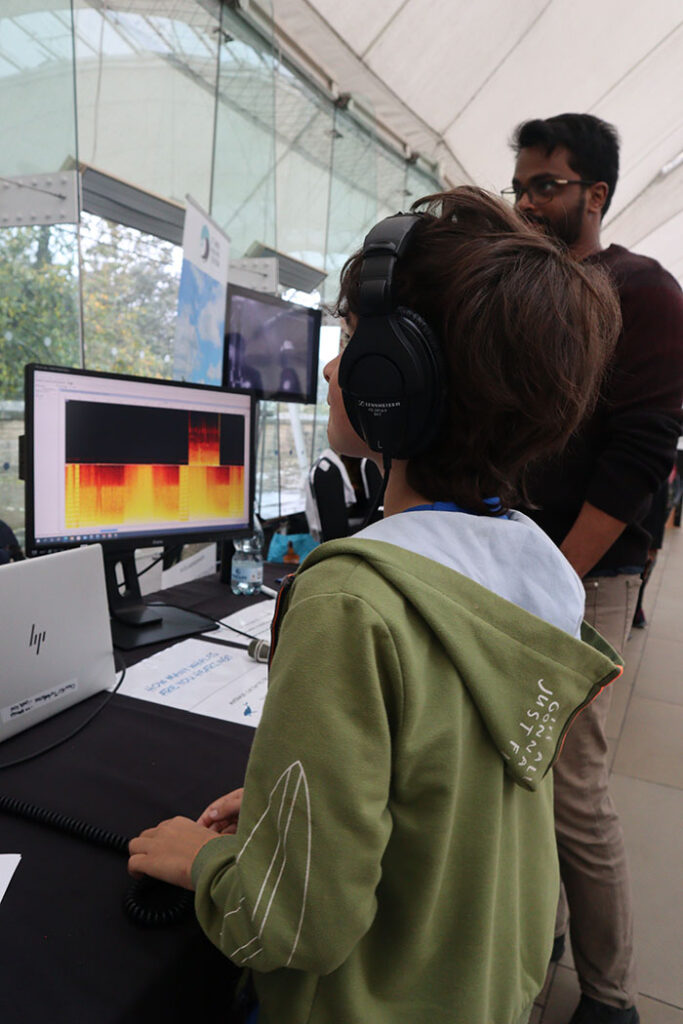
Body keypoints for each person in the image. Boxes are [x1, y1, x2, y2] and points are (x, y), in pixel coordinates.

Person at [128, 187, 624, 1024]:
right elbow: (450, 782)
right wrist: (312, 798)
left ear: (397, 378)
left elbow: (296, 924)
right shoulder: (535, 576)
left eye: (351, 342)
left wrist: (201, 865)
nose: (331, 368)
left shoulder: (351, 599)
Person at [506, 113, 683, 1024]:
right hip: (514, 564)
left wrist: (555, 577)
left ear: (595, 194)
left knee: (572, 783)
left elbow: (642, 449)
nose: (529, 201)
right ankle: (539, 933)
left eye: (547, 184)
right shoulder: (524, 293)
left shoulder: (639, 289)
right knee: (520, 774)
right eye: (521, 186)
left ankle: (609, 997)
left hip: (584, 575)